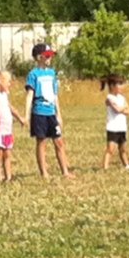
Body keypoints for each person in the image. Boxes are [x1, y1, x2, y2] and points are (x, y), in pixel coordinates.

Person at [24, 43, 74, 179]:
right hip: (39, 112)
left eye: (50, 56)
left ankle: (65, 171)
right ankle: (44, 173)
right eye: (47, 56)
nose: (49, 58)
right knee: (42, 142)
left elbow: (54, 95)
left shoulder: (51, 73)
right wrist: (26, 115)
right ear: (39, 57)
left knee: (59, 142)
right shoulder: (33, 74)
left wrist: (59, 114)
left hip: (51, 112)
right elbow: (29, 95)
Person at [101, 73, 129, 170]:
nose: (122, 87)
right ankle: (105, 167)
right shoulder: (109, 98)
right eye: (120, 84)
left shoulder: (121, 98)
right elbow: (117, 109)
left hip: (122, 127)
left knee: (122, 148)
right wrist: (123, 108)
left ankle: (127, 165)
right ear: (112, 86)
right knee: (111, 148)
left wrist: (123, 109)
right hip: (113, 127)